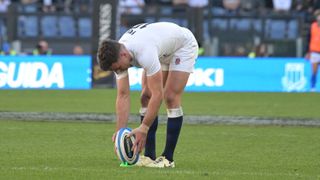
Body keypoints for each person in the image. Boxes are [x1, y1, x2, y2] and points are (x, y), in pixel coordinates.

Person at [97, 22, 198, 168]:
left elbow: (158, 95)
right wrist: (120, 133)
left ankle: (168, 159)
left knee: (170, 97)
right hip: (161, 48)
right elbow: (123, 95)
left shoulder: (144, 52)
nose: (119, 71)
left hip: (182, 46)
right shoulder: (118, 54)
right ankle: (149, 156)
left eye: (119, 68)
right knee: (145, 96)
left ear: (124, 54)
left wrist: (143, 127)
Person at [306, 10, 320, 92]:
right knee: (314, 71)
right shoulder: (312, 26)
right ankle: (312, 87)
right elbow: (308, 40)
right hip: (314, 52)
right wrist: (308, 52)